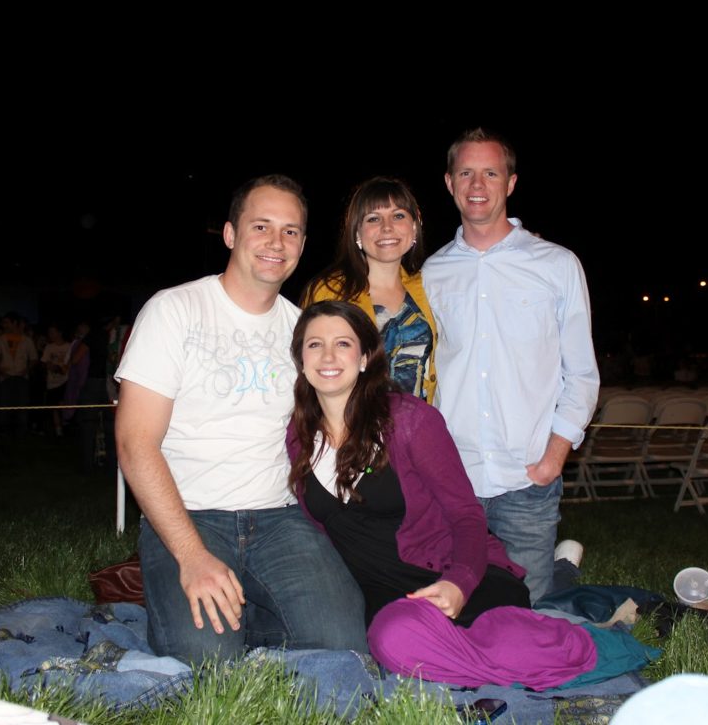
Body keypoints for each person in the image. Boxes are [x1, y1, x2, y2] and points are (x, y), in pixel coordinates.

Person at [114, 174, 366, 664]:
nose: (277, 243)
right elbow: (134, 444)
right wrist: (190, 557)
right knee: (207, 661)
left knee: (344, 646)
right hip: (189, 516)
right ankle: (194, 603)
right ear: (230, 234)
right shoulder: (174, 310)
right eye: (262, 226)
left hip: (279, 519)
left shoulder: (303, 331)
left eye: (291, 231)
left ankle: (248, 613)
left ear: (303, 244)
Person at [285, 300, 597, 688]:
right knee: (393, 637)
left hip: (456, 576)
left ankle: (521, 639)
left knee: (497, 643)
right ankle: (506, 654)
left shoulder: (409, 419)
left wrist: (459, 582)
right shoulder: (299, 438)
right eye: (315, 345)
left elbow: (466, 515)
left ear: (365, 357)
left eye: (343, 344)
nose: (328, 355)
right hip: (388, 601)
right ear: (300, 358)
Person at [422, 127, 600, 606]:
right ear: (449, 182)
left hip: (525, 478)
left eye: (490, 172)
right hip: (451, 478)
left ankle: (558, 571)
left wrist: (553, 458)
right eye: (466, 172)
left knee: (528, 611)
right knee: (458, 609)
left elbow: (581, 373)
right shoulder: (430, 273)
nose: (477, 184)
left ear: (511, 183)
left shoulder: (557, 264)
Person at [301, 177, 437, 402]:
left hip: (417, 428)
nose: (387, 227)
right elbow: (305, 367)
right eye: (373, 218)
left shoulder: (428, 287)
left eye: (398, 215)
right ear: (357, 233)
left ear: (414, 227)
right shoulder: (329, 292)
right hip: (353, 429)